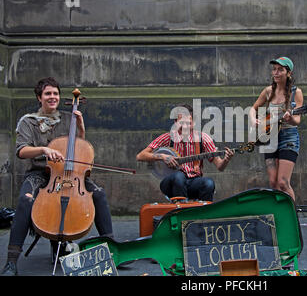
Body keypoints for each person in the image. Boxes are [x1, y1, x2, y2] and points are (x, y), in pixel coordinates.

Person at [1, 77, 114, 276]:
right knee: (25, 201)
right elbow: (21, 151)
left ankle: (113, 250)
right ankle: (11, 261)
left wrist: (80, 127)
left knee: (99, 194)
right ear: (39, 97)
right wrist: (44, 149)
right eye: (48, 94)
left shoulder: (67, 118)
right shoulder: (28, 122)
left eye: (55, 93)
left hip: (68, 172)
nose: (52, 97)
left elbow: (79, 148)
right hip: (40, 173)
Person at [136, 104, 234, 201]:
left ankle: (204, 213)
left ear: (194, 122)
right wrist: (162, 156)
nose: (185, 126)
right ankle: (181, 209)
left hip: (193, 182)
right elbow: (140, 156)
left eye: (189, 123)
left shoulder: (203, 138)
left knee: (209, 183)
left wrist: (226, 159)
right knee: (179, 176)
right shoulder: (168, 137)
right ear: (175, 122)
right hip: (171, 182)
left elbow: (220, 166)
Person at [249, 56, 304, 201]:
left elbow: (297, 120)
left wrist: (290, 117)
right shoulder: (268, 91)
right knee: (273, 183)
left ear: (289, 73)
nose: (276, 73)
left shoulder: (295, 92)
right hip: (270, 136)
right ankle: (280, 216)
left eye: (280, 70)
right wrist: (253, 119)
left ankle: (293, 218)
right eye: (274, 69)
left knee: (283, 183)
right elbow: (253, 109)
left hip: (288, 137)